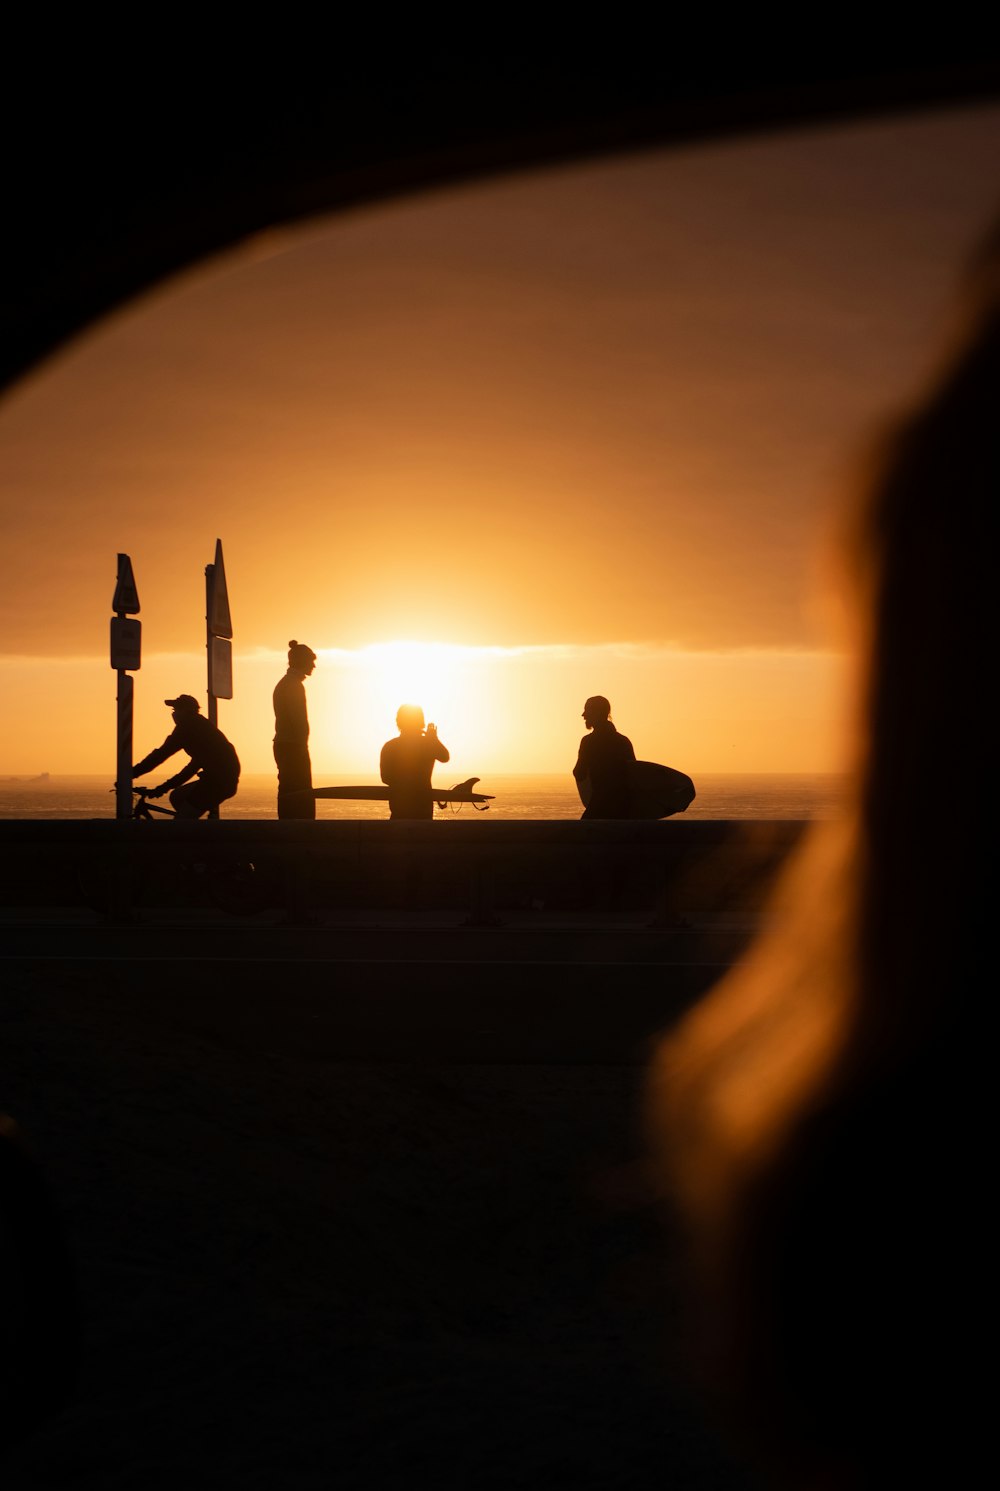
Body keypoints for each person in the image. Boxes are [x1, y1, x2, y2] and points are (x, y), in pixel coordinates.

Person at [131, 694, 240, 818]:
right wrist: (163, 788)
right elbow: (193, 766)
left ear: (186, 711)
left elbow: (161, 755)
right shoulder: (200, 725)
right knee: (177, 796)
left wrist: (130, 774)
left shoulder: (187, 727)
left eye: (176, 710)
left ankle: (188, 830)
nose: (173, 714)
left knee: (181, 823)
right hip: (222, 779)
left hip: (217, 782)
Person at [379, 705, 449, 820]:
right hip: (424, 809)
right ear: (421, 722)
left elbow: (385, 778)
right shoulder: (428, 744)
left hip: (399, 809)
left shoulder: (390, 746)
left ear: (399, 722)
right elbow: (445, 757)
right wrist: (434, 740)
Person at [273, 640, 317, 819]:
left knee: (290, 789)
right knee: (298, 791)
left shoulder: (288, 683)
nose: (314, 665)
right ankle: (297, 830)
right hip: (293, 746)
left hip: (289, 744)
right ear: (301, 661)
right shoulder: (293, 685)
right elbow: (298, 720)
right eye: (311, 661)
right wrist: (302, 745)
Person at [572, 695, 636, 818]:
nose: (583, 715)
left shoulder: (588, 742)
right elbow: (633, 773)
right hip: (624, 811)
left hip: (599, 807)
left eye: (587, 710)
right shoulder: (623, 741)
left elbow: (579, 772)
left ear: (598, 712)